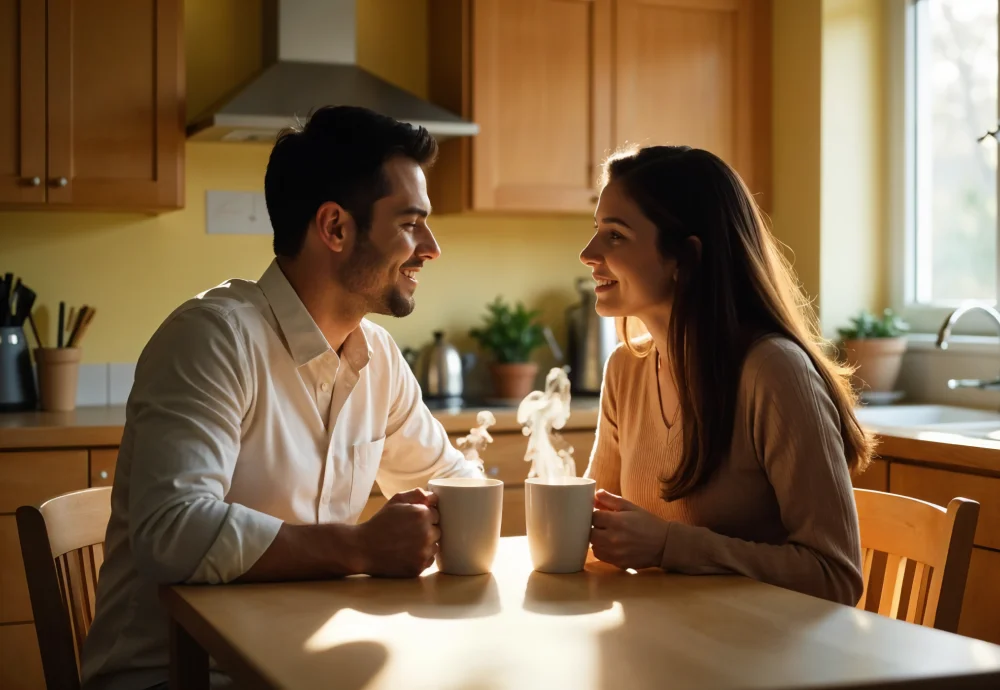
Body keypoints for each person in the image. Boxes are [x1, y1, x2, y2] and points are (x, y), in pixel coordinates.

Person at [81, 106, 485, 690]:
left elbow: (453, 482)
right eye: (410, 223)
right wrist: (361, 548)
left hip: (303, 658)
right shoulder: (212, 338)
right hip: (175, 675)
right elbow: (173, 534)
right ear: (336, 227)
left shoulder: (379, 359)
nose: (431, 247)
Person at [581, 145, 870, 606]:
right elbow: (596, 525)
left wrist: (667, 545)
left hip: (764, 662)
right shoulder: (625, 370)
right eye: (596, 230)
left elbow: (834, 576)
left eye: (615, 236)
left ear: (685, 257)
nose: (588, 253)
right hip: (671, 646)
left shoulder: (774, 372)